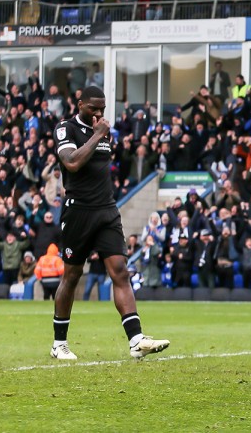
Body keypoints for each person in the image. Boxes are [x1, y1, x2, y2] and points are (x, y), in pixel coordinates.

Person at [51, 85, 169, 360]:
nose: (99, 113)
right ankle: (59, 344)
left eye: (103, 109)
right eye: (94, 108)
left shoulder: (103, 131)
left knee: (120, 270)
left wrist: (101, 135)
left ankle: (136, 339)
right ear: (80, 104)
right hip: (78, 211)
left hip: (106, 210)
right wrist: (98, 135)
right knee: (72, 275)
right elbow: (71, 163)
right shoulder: (65, 129)